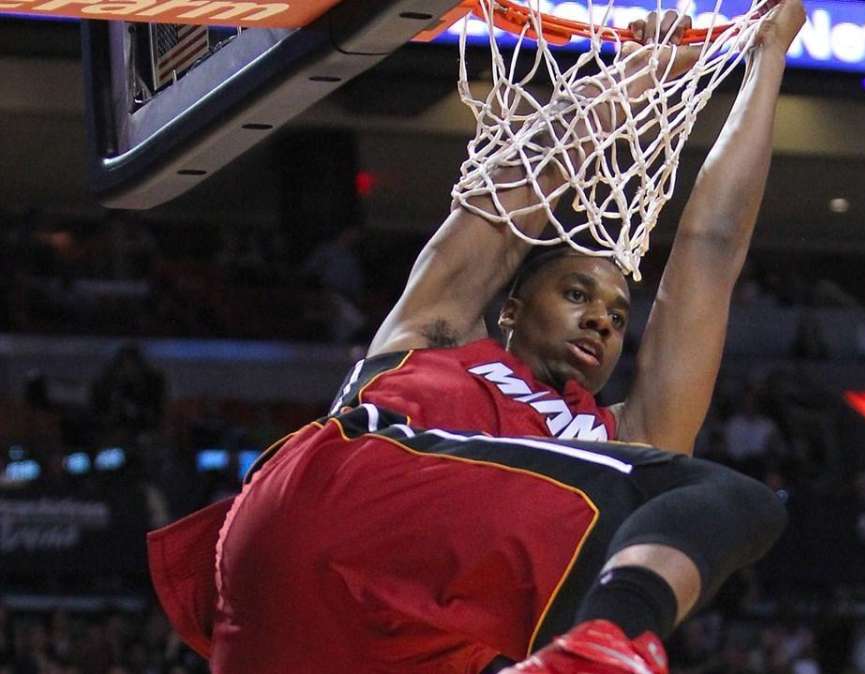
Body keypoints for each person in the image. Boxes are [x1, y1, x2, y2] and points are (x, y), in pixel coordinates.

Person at [146, 2, 809, 673]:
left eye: (616, 313)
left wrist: (769, 58)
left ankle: (589, 647)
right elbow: (520, 186)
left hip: (339, 644)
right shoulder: (437, 338)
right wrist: (638, 80)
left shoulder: (619, 436)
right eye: (576, 293)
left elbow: (712, 256)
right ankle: (606, 644)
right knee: (727, 501)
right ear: (511, 311)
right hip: (336, 505)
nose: (603, 319)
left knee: (724, 510)